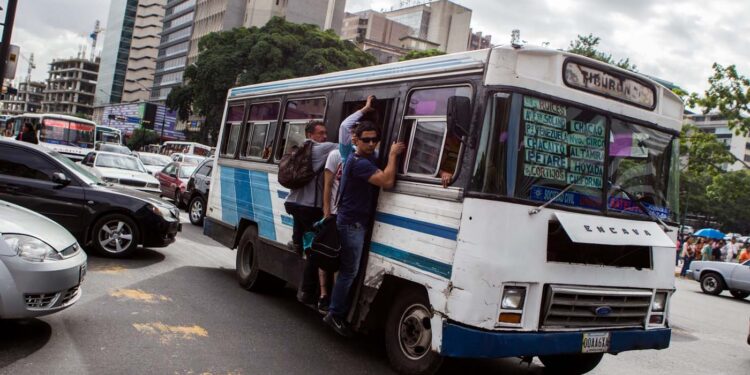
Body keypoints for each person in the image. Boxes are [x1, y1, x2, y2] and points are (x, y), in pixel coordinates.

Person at [323, 121, 405, 336]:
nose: (371, 144)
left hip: (355, 222)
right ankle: (335, 314)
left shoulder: (367, 158)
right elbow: (387, 181)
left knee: (349, 270)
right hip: (352, 224)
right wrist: (394, 155)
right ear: (356, 140)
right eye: (366, 140)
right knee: (349, 271)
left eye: (374, 140)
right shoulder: (359, 162)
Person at [285, 120, 338, 306]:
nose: (324, 137)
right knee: (316, 250)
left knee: (305, 245)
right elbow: (346, 146)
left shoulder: (299, 148)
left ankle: (297, 243)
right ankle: (307, 291)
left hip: (293, 203)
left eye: (325, 133)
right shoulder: (319, 149)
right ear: (310, 135)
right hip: (308, 207)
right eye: (321, 133)